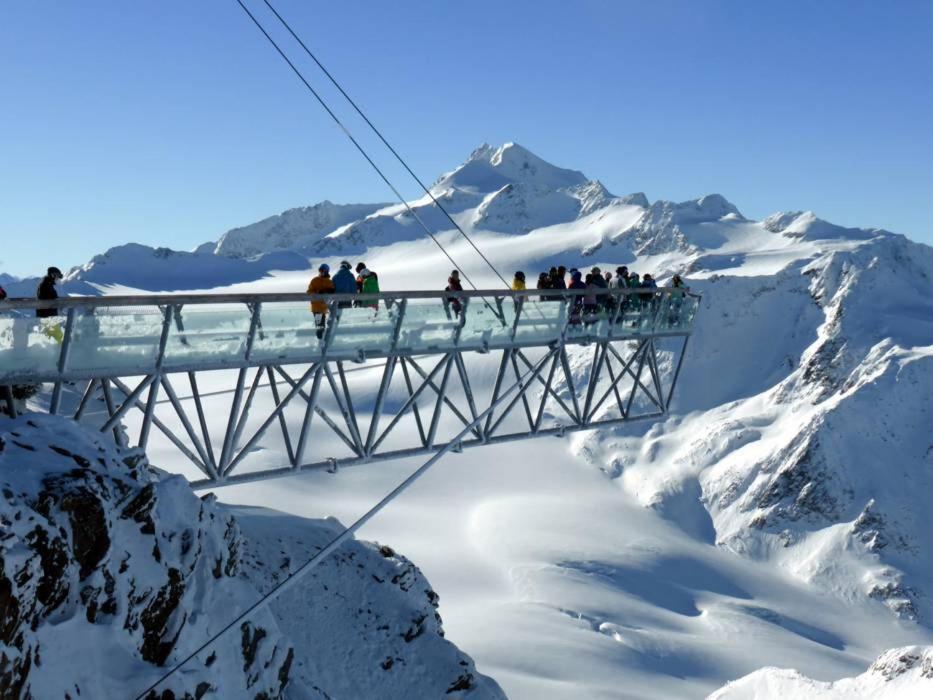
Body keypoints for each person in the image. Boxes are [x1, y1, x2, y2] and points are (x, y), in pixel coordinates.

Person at [307, 264, 336, 339]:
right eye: (320, 270)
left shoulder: (329, 282)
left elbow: (333, 294)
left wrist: (331, 292)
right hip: (316, 308)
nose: (321, 272)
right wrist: (318, 292)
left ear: (327, 271)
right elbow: (309, 292)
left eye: (323, 271)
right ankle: (320, 342)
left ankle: (322, 341)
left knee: (324, 325)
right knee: (320, 326)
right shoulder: (315, 280)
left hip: (325, 307)